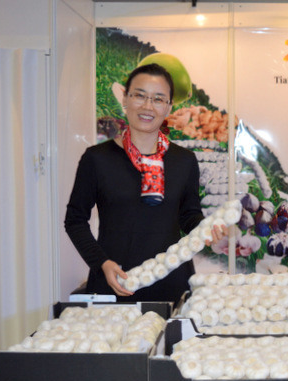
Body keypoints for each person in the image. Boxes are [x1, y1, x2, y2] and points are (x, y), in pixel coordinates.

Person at [65, 63, 226, 302]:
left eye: (158, 99)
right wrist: (101, 263)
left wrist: (205, 228)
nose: (148, 106)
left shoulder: (184, 160)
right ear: (125, 99)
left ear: (169, 107)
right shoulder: (97, 159)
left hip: (171, 282)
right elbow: (75, 220)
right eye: (140, 96)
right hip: (117, 281)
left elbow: (188, 214)